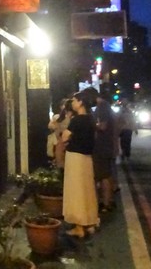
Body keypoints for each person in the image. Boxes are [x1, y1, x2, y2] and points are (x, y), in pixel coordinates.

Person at [61, 91, 99, 238]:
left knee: (76, 191)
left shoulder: (76, 120)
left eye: (75, 100)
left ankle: (79, 227)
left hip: (75, 157)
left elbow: (64, 137)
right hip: (87, 158)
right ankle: (89, 222)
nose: (73, 103)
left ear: (81, 102)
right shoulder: (91, 118)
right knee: (87, 190)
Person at [84, 86, 117, 213]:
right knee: (104, 175)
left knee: (103, 175)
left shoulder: (103, 107)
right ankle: (107, 201)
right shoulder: (103, 106)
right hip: (104, 146)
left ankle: (106, 203)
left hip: (102, 146)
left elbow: (102, 126)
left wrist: (90, 124)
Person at [48, 98, 74, 170]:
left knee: (61, 162)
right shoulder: (59, 117)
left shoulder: (59, 117)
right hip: (64, 142)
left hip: (60, 142)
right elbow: (50, 126)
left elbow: (50, 126)